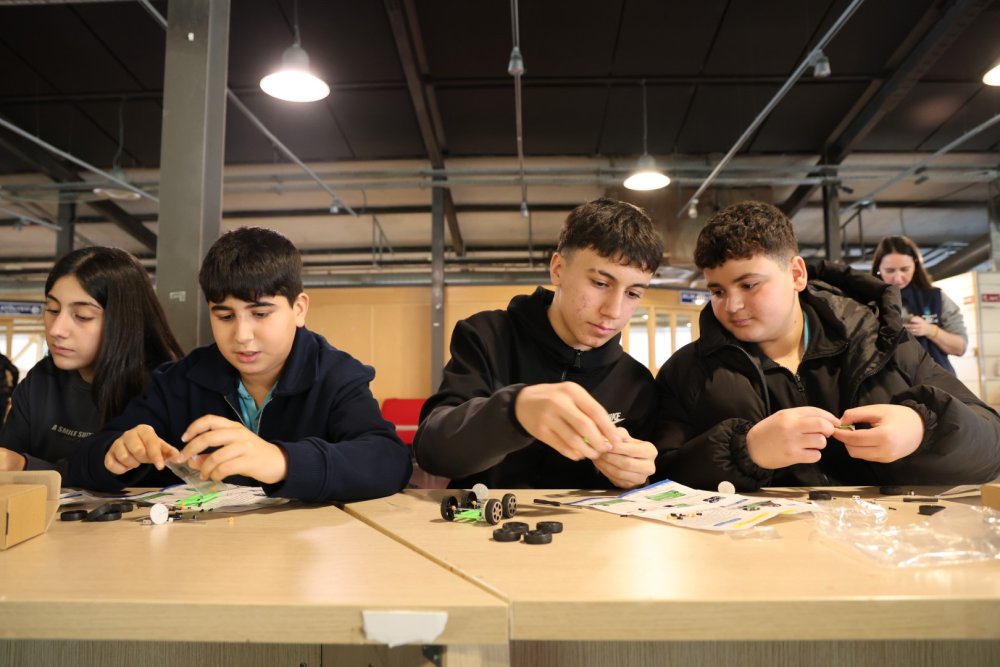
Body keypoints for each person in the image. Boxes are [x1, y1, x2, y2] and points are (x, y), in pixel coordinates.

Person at [655, 200, 1000, 490]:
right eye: (717, 291)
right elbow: (657, 477)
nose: (731, 306)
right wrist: (745, 451)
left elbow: (992, 443)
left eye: (749, 285)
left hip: (890, 544)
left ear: (796, 275)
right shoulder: (687, 372)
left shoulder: (882, 341)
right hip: (754, 549)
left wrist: (923, 428)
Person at [69, 227, 411, 502]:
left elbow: (389, 461)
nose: (242, 336)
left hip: (305, 553)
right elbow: (84, 460)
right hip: (209, 552)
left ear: (299, 309)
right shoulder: (180, 381)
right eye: (225, 316)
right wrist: (115, 453)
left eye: (260, 314)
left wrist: (282, 461)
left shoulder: (336, 376)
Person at [414, 198, 664, 489]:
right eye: (600, 283)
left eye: (633, 294)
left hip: (586, 520)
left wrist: (635, 476)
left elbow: (643, 485)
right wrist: (513, 412)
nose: (614, 311)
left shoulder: (636, 383)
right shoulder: (487, 336)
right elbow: (432, 453)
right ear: (558, 269)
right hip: (479, 516)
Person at [0, 247, 184, 474]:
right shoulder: (40, 380)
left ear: (123, 321)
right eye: (53, 309)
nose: (57, 330)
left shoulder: (163, 390)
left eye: (82, 316)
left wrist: (25, 466)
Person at [871, 235, 967, 374]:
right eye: (890, 271)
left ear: (915, 265)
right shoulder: (866, 301)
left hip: (934, 379)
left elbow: (960, 348)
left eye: (905, 269)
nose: (898, 278)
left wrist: (931, 331)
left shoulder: (936, 298)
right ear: (878, 268)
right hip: (887, 379)